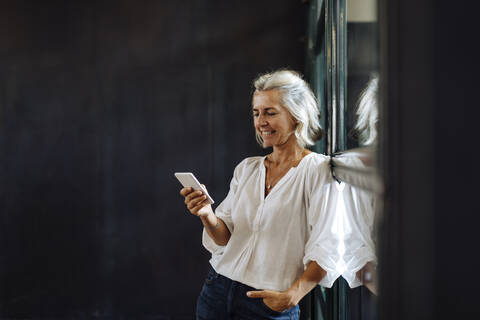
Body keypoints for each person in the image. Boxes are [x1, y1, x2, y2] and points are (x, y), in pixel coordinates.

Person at [180, 70, 340, 319]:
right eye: (256, 113)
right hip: (217, 292)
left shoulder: (319, 171)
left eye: (270, 112)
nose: (260, 121)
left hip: (267, 304)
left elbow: (331, 245)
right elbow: (224, 239)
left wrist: (292, 296)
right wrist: (206, 213)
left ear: (296, 116)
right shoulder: (247, 169)